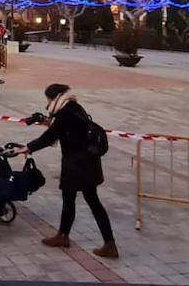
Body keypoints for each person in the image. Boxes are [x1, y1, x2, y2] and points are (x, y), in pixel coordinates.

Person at [15, 84, 116, 258]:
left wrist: (28, 148)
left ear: (54, 98)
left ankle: (72, 237)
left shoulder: (64, 114)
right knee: (88, 201)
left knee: (75, 200)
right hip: (88, 163)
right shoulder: (74, 107)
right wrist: (47, 122)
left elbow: (50, 137)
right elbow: (65, 129)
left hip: (77, 165)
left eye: (48, 99)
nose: (47, 103)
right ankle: (101, 242)